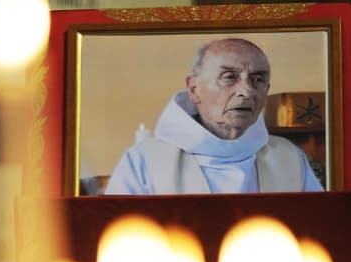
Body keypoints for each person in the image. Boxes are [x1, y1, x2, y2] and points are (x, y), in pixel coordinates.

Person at [104, 37, 324, 194]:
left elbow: (317, 231)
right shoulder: (145, 161)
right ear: (194, 89)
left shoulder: (288, 158)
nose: (246, 91)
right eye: (229, 77)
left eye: (257, 79)